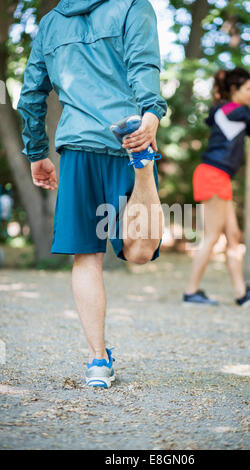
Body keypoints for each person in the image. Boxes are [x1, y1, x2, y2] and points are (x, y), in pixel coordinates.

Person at [17, 0, 167, 388]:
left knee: (86, 257)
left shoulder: (50, 23)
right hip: (128, 136)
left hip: (78, 147)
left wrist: (37, 152)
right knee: (139, 252)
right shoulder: (133, 6)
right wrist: (150, 115)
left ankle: (98, 362)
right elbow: (143, 65)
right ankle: (144, 169)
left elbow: (31, 93)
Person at [183, 67, 250, 307]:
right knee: (212, 237)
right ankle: (191, 293)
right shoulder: (230, 109)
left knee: (233, 237)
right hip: (212, 175)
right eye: (248, 89)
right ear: (234, 90)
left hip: (219, 177)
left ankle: (242, 294)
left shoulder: (235, 113)